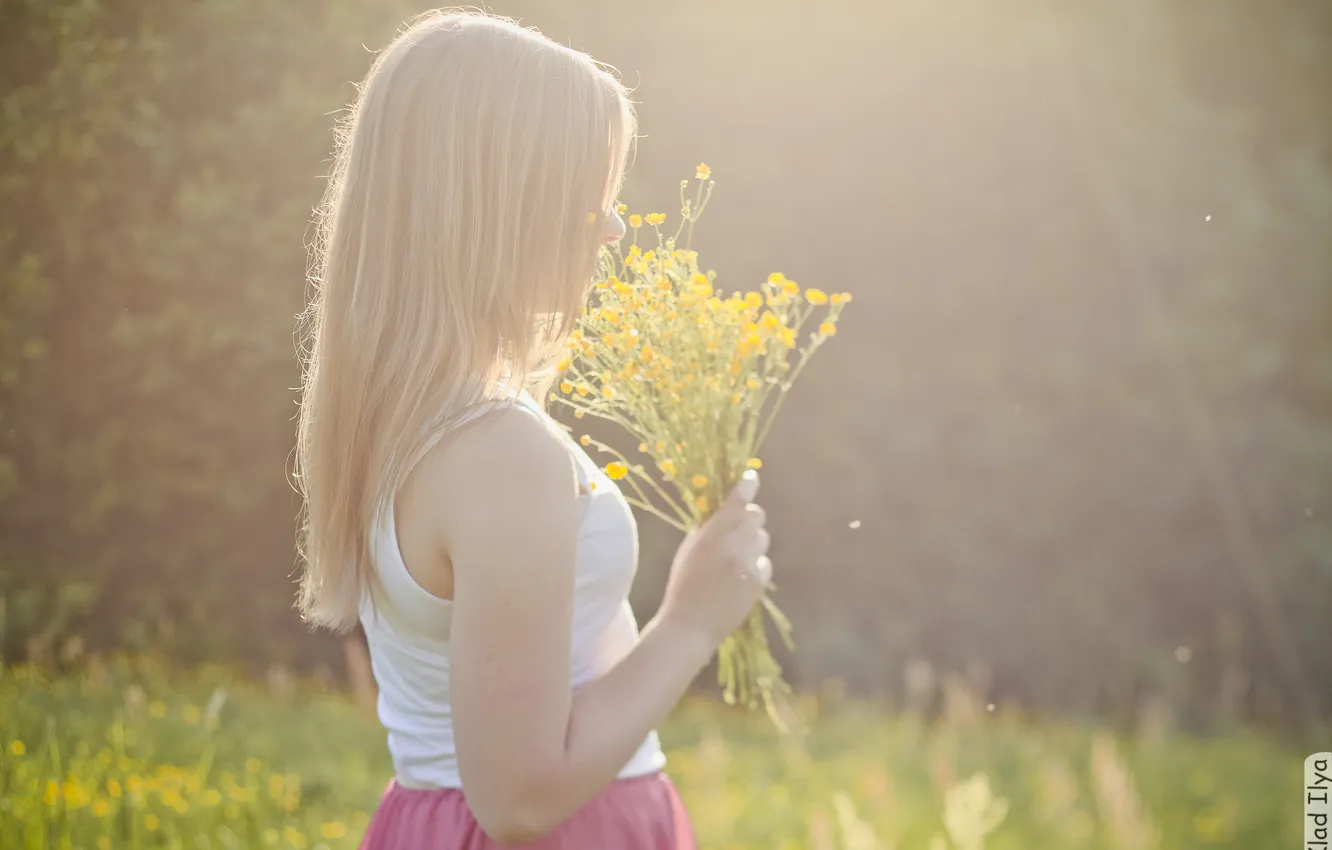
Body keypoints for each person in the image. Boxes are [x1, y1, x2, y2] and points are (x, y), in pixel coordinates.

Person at [293, 9, 773, 848]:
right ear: (494, 210)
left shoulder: (403, 417)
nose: (616, 228)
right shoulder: (501, 456)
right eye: (588, 200)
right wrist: (693, 620)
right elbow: (519, 798)